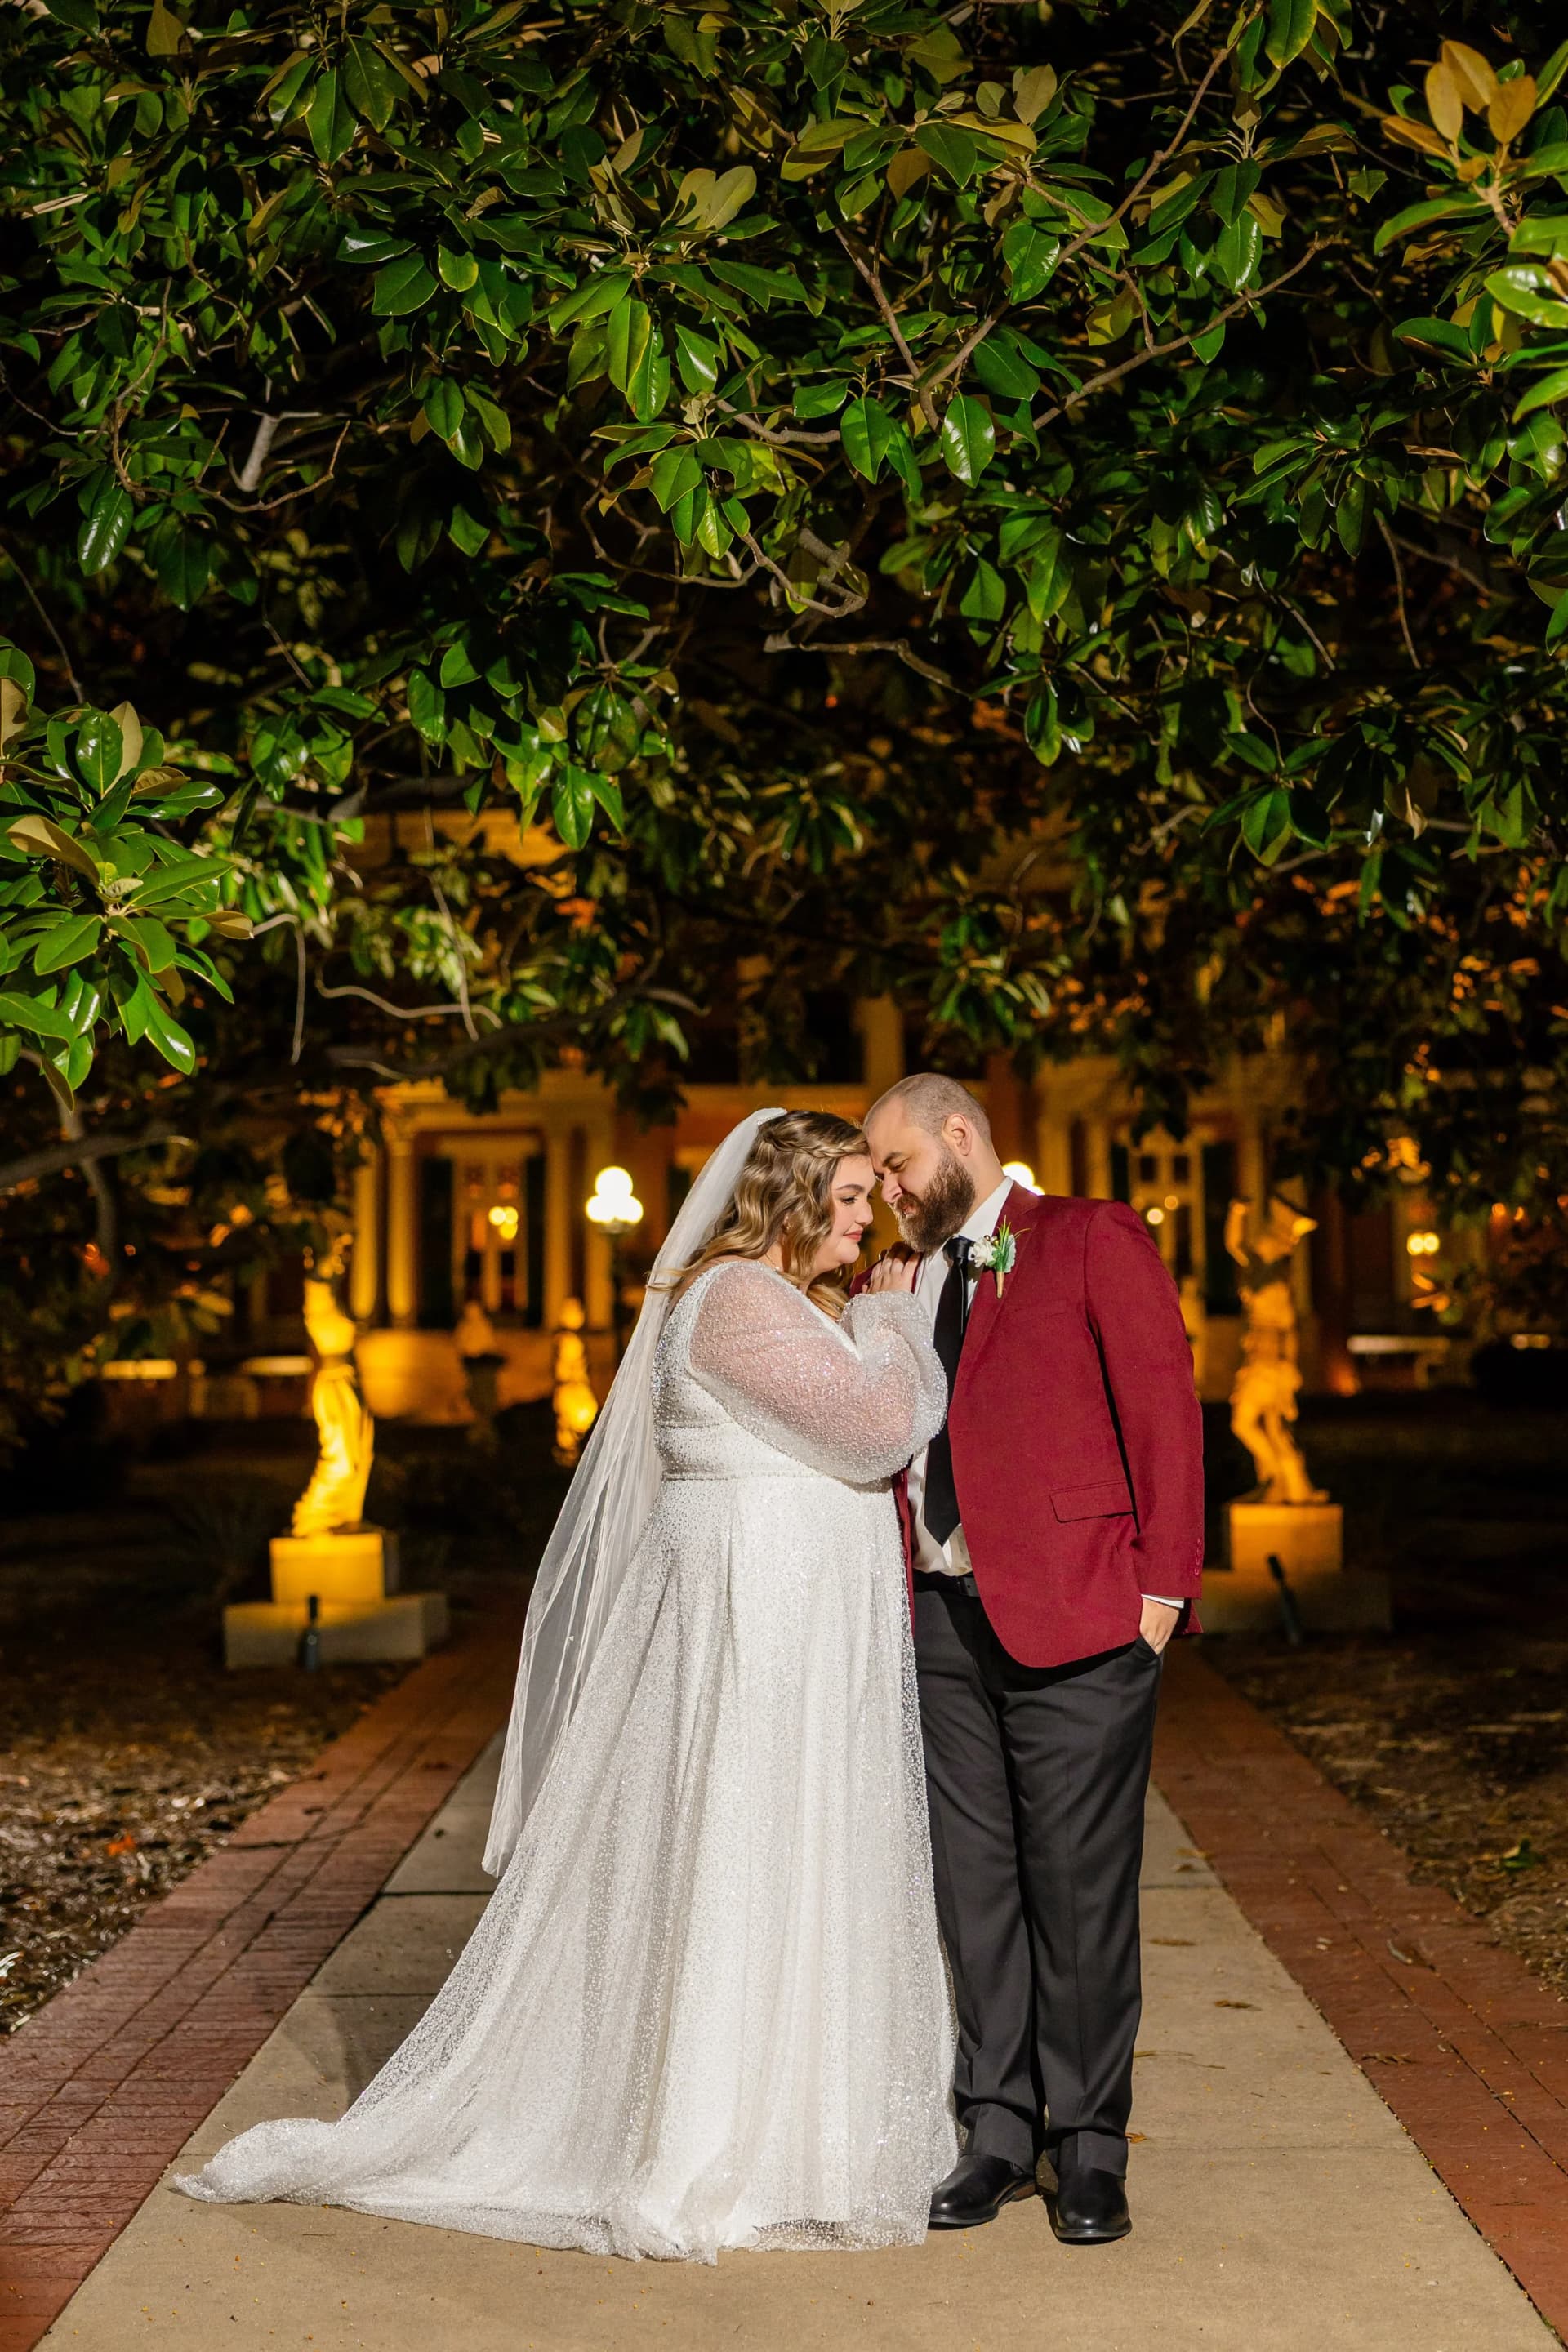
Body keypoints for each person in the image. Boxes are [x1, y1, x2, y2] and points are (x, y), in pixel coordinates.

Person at [176, 1109, 957, 2261]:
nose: (867, 1215)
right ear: (789, 1197)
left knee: (800, 1856)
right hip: (753, 1642)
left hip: (800, 1641)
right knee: (743, 1859)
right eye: (846, 1195)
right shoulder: (737, 1298)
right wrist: (894, 1313)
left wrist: (864, 1311)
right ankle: (714, 2141)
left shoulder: (788, 1302)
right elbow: (879, 1429)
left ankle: (805, 2135)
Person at [862, 1075, 1205, 2247]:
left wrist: (1161, 1594)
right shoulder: (898, 1280)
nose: (889, 1190)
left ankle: (1090, 2149)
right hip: (941, 1621)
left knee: (1079, 1891)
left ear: (961, 1136)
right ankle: (997, 2134)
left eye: (899, 1164)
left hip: (1083, 1621)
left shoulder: (1086, 1236)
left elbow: (1164, 1412)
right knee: (975, 1891)